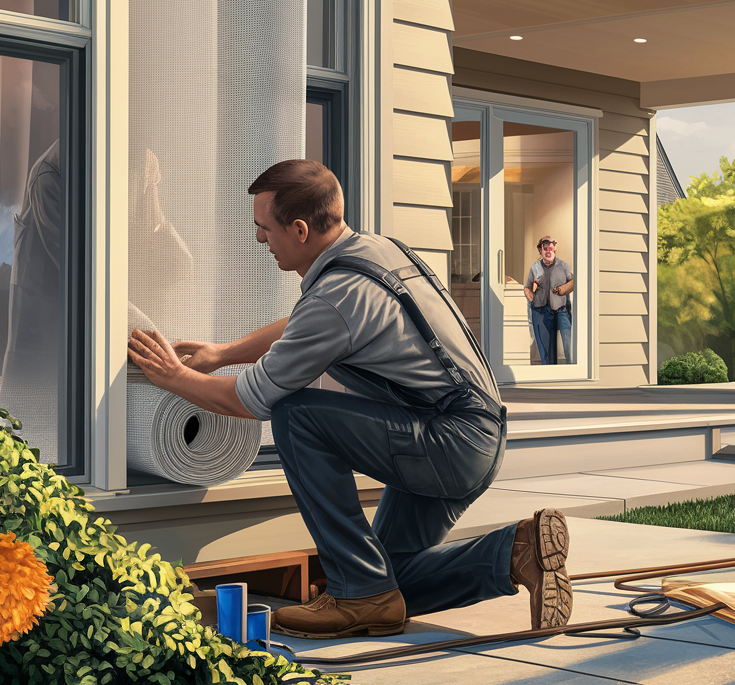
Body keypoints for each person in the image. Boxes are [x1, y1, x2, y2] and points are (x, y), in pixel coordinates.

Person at [126, 160, 573, 639]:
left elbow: (253, 398)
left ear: (299, 230)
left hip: (450, 440)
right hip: (470, 432)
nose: (260, 240)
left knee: (295, 414)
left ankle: (356, 590)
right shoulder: (374, 250)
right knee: (388, 587)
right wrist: (222, 353)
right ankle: (513, 552)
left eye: (264, 228)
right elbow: (310, 322)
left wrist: (171, 376)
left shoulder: (335, 296)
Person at [523, 236, 574, 365]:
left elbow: (573, 283)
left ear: (555, 250)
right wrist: (529, 293)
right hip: (541, 310)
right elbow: (527, 287)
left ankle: (573, 370)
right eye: (545, 249)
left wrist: (562, 289)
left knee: (570, 346)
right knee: (547, 351)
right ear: (540, 251)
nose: (548, 251)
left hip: (562, 310)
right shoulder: (535, 267)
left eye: (551, 249)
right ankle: (549, 372)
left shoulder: (564, 266)